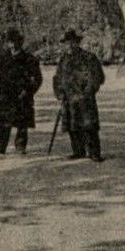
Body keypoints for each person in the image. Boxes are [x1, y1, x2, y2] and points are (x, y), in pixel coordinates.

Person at [53, 28, 105, 161]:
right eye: (66, 43)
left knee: (89, 126)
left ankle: (94, 153)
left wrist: (88, 91)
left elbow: (97, 77)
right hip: (68, 98)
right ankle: (78, 151)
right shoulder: (63, 59)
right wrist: (59, 93)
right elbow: (57, 78)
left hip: (84, 98)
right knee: (72, 126)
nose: (69, 45)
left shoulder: (89, 58)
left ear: (77, 42)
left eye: (72, 42)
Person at [0, 29, 42, 154]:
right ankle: (0, 147)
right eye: (9, 42)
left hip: (22, 96)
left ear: (20, 43)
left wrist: (28, 91)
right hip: (6, 96)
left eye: (14, 41)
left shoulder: (29, 59)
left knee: (22, 123)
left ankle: (20, 147)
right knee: (3, 123)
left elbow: (37, 79)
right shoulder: (4, 58)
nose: (11, 44)